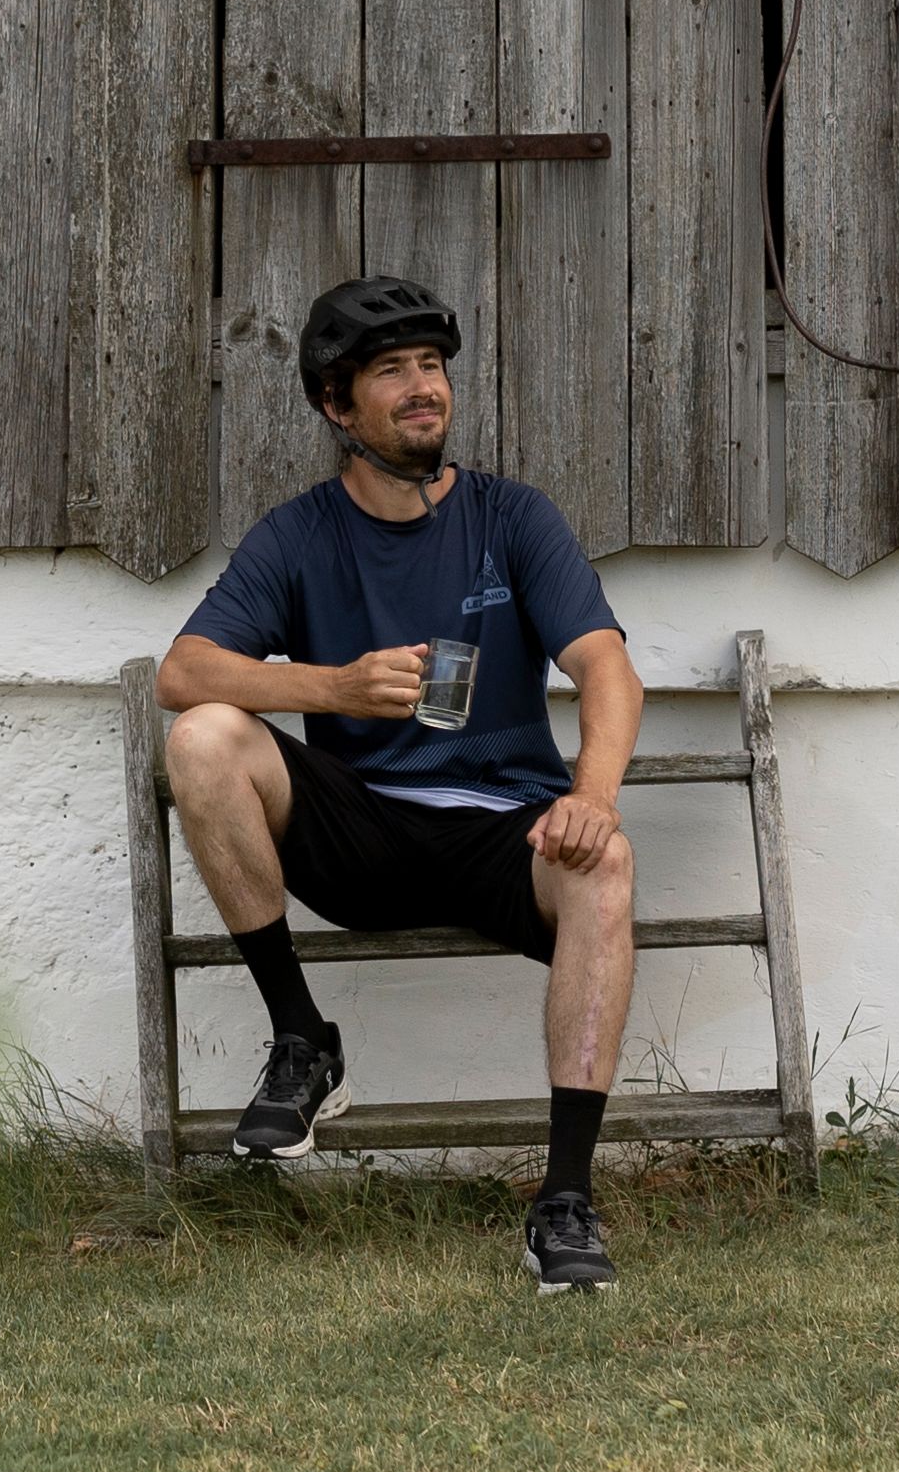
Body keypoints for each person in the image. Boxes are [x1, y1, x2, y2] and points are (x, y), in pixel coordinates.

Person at [154, 274, 650, 1293]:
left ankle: (563, 1201)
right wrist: (328, 684)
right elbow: (182, 673)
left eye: (431, 366)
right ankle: (302, 1040)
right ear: (339, 407)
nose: (424, 388)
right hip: (363, 834)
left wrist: (590, 797)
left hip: (505, 833)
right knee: (204, 737)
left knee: (608, 864)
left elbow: (606, 665)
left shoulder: (513, 517)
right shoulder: (299, 535)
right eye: (392, 372)